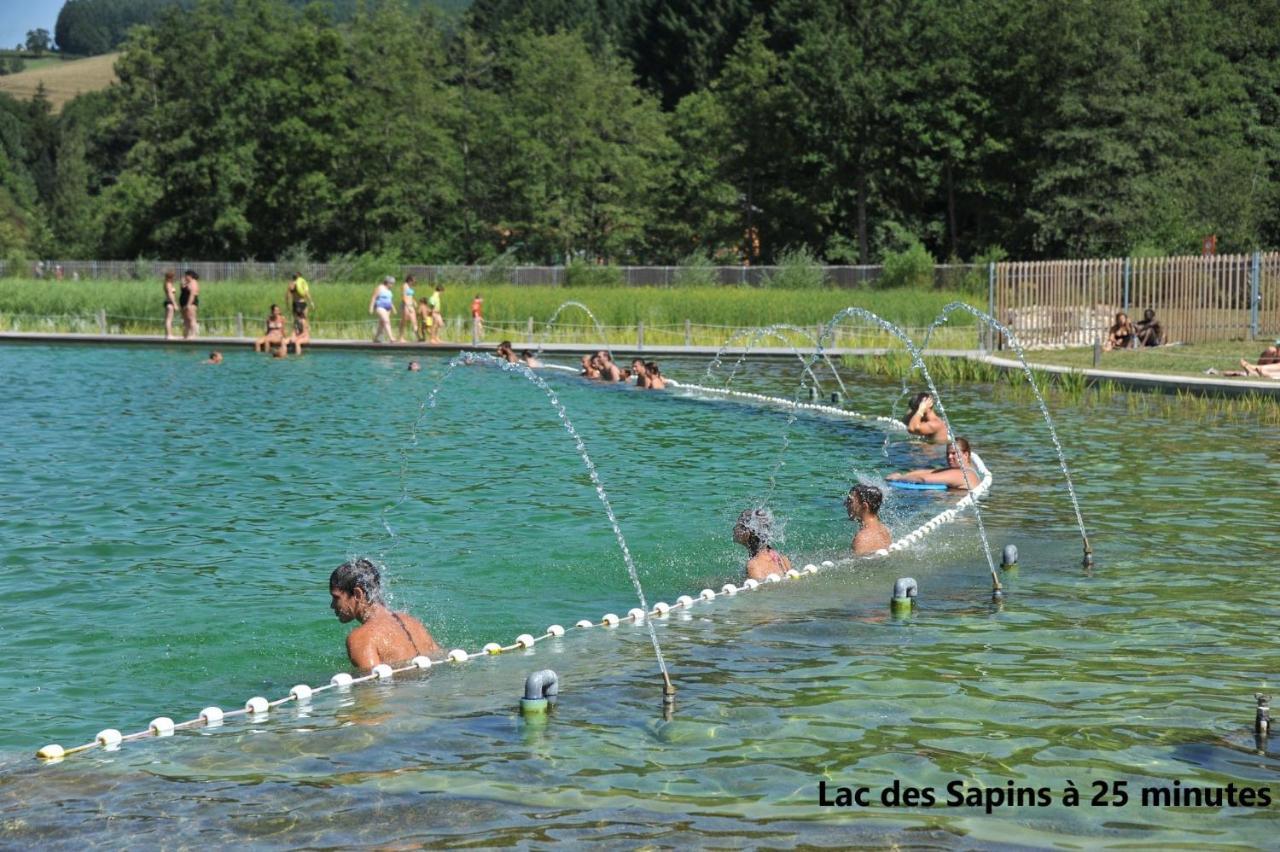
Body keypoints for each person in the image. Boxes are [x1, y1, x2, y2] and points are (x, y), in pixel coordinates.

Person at [329, 558, 442, 668]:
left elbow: (371, 685)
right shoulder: (412, 622)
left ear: (358, 594)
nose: (332, 605)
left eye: (336, 597)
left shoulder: (361, 638)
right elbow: (440, 660)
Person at [887, 437, 979, 490]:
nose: (949, 457)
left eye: (954, 453)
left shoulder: (962, 474)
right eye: (948, 453)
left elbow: (923, 479)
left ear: (966, 454)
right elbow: (930, 472)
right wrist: (905, 474)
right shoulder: (965, 470)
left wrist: (899, 478)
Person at [733, 507, 792, 581]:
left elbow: (761, 591)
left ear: (747, 534)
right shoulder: (783, 559)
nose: (734, 529)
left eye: (739, 525)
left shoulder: (753, 565)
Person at [846, 484, 891, 555]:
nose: (845, 504)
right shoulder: (884, 530)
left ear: (864, 507)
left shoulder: (863, 539)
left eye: (850, 502)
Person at [369, 276, 396, 343]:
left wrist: (393, 308)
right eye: (392, 283)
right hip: (380, 307)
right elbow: (373, 297)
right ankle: (391, 337)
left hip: (388, 308)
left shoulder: (389, 290)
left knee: (382, 324)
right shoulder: (380, 288)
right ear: (387, 282)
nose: (393, 285)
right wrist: (371, 308)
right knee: (386, 321)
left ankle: (376, 338)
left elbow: (390, 300)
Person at [179, 270, 200, 339]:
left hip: (191, 303)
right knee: (185, 320)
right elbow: (182, 290)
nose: (184, 277)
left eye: (186, 275)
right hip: (184, 303)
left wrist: (188, 304)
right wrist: (182, 284)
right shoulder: (187, 283)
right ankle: (186, 335)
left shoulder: (193, 282)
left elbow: (192, 294)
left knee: (191, 319)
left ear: (190, 276)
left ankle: (193, 335)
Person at [399, 275, 420, 343]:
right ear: (409, 280)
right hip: (406, 305)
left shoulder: (410, 287)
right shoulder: (404, 286)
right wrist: (408, 306)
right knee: (404, 322)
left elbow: (410, 296)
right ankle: (401, 337)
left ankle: (417, 337)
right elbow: (403, 297)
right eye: (413, 281)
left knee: (414, 321)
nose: (414, 283)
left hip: (411, 305)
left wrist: (414, 301)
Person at [162, 270, 178, 340]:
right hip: (170, 303)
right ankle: (169, 335)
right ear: (171, 277)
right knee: (168, 320)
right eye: (174, 277)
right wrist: (175, 304)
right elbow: (170, 294)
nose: (175, 278)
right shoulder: (168, 284)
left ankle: (169, 334)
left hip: (169, 302)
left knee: (169, 319)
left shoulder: (168, 283)